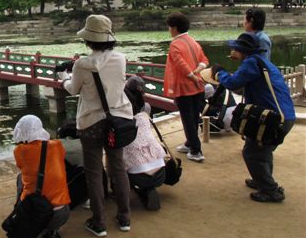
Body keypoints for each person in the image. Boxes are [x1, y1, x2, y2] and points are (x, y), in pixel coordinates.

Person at [57, 14, 132, 237]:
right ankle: (124, 217)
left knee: (94, 173)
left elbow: (72, 89)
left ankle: (99, 222)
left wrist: (63, 77)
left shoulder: (82, 64)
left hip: (91, 123)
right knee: (118, 168)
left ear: (88, 40)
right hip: (117, 121)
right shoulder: (121, 58)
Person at [210, 33, 296, 203]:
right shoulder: (261, 61)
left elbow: (233, 83)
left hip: (274, 119)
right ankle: (261, 181)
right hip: (284, 115)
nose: (232, 51)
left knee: (252, 153)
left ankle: (271, 190)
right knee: (262, 150)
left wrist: (220, 73)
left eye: (235, 48)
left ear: (242, 50)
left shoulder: (250, 63)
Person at [13, 115, 70, 238]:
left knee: (21, 178)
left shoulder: (19, 151)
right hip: (62, 214)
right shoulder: (57, 145)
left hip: (35, 214)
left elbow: (22, 167)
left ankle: (23, 214)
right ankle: (52, 231)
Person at [163, 12, 209, 162]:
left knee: (187, 118)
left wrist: (192, 75)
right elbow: (204, 60)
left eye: (170, 27)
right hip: (198, 86)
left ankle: (196, 151)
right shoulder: (192, 41)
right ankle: (190, 143)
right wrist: (197, 71)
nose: (169, 30)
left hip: (185, 86)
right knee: (194, 116)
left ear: (174, 28)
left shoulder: (175, 44)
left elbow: (179, 63)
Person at [123, 77, 166, 210]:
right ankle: (147, 188)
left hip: (138, 175)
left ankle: (126, 189)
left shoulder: (122, 118)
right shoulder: (145, 111)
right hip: (161, 173)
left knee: (118, 156)